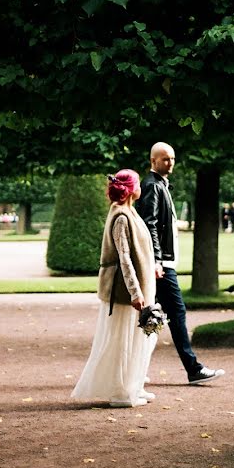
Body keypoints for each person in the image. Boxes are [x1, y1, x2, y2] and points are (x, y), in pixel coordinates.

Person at [136, 142, 225, 384]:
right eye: (165, 159)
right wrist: (156, 260)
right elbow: (149, 225)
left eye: (172, 158)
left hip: (162, 262)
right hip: (161, 265)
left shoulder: (159, 186)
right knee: (175, 312)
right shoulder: (152, 186)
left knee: (151, 317)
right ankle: (193, 368)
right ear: (153, 161)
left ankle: (133, 369)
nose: (170, 163)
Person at [71, 169, 158, 408]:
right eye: (138, 183)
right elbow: (124, 259)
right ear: (132, 189)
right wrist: (135, 292)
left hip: (138, 287)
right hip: (123, 293)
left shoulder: (130, 212)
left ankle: (134, 385)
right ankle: (121, 393)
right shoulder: (121, 216)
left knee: (140, 338)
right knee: (123, 340)